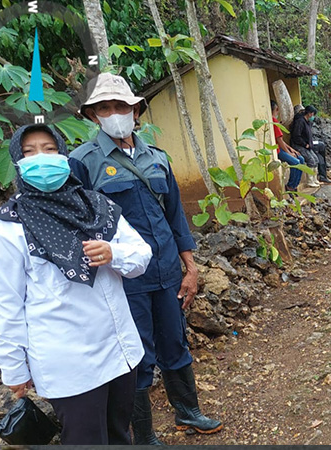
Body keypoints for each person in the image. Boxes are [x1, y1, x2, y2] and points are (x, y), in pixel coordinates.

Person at [69, 73, 222, 443]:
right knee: (135, 355)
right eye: (105, 107)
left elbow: (174, 216)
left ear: (136, 110)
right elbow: (79, 224)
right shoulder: (83, 163)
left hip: (167, 270)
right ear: (93, 116)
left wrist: (190, 266)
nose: (114, 113)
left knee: (175, 342)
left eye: (121, 106)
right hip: (124, 278)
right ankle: (144, 435)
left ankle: (188, 413)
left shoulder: (157, 157)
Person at [0, 124, 152, 444]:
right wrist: (14, 370)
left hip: (120, 352)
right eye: (29, 152)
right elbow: (4, 305)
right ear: (17, 163)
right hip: (69, 365)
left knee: (120, 435)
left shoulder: (96, 205)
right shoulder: (8, 228)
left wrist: (113, 253)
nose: (42, 159)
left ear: (63, 154)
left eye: (49, 150)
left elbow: (141, 255)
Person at [271, 100, 305, 192]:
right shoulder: (273, 121)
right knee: (296, 162)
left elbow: (280, 139)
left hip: (281, 148)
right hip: (278, 150)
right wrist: (289, 152)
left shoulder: (276, 121)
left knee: (301, 159)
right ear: (275, 109)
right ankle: (290, 186)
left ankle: (295, 185)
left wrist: (291, 149)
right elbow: (279, 140)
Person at [290, 105, 321, 187]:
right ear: (310, 114)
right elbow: (296, 136)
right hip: (299, 145)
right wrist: (304, 144)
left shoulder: (307, 122)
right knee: (311, 160)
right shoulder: (300, 121)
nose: (313, 117)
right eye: (313, 114)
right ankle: (310, 181)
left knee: (316, 159)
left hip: (307, 146)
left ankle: (314, 179)